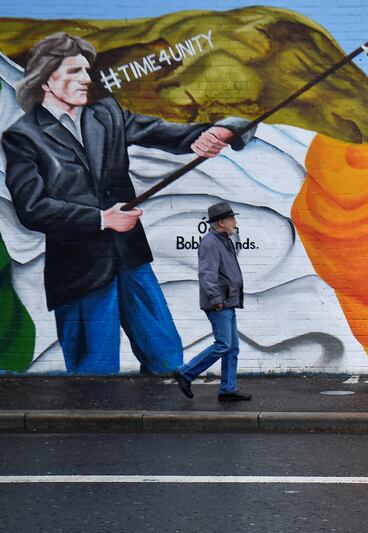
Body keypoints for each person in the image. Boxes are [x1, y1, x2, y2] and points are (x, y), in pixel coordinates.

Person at [1, 33, 251, 374]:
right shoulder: (23, 136)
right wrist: (102, 219)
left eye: (86, 71)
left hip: (131, 257)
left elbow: (160, 131)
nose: (86, 80)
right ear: (46, 77)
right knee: (94, 372)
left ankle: (166, 422)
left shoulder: (105, 113)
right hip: (80, 271)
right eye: (75, 72)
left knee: (167, 357)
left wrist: (211, 134)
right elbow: (32, 208)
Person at [175, 201, 250, 401]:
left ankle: (227, 389)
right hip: (220, 303)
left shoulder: (224, 240)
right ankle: (186, 373)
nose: (234, 222)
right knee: (223, 344)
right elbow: (207, 274)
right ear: (221, 222)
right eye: (231, 218)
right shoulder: (210, 242)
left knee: (232, 347)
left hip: (228, 301)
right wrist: (217, 299)